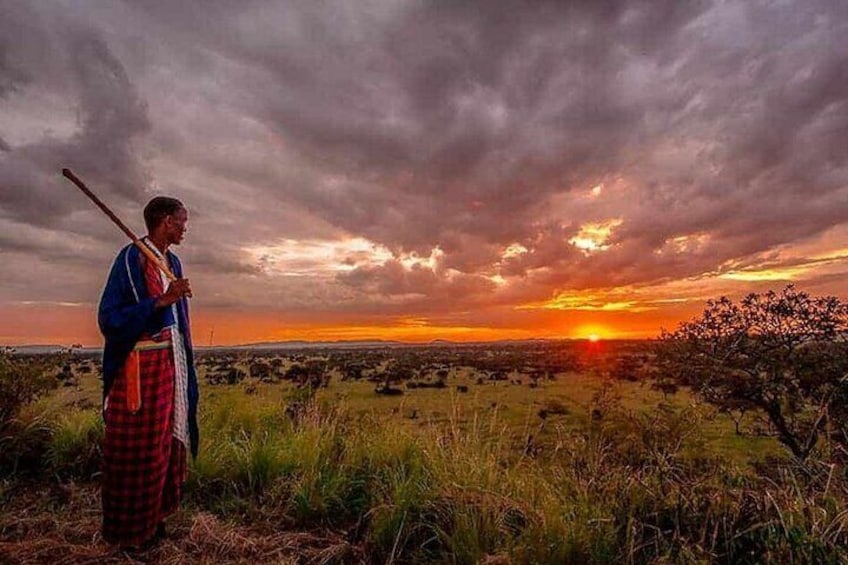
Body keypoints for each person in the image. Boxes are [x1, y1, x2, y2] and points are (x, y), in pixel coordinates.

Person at [97, 196, 199, 549]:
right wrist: (160, 301)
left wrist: (173, 299)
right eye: (182, 221)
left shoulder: (171, 260)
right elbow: (109, 320)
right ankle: (128, 533)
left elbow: (177, 323)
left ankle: (153, 519)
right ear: (165, 220)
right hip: (139, 370)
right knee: (135, 452)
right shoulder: (131, 258)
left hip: (170, 368)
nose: (185, 227)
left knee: (163, 447)